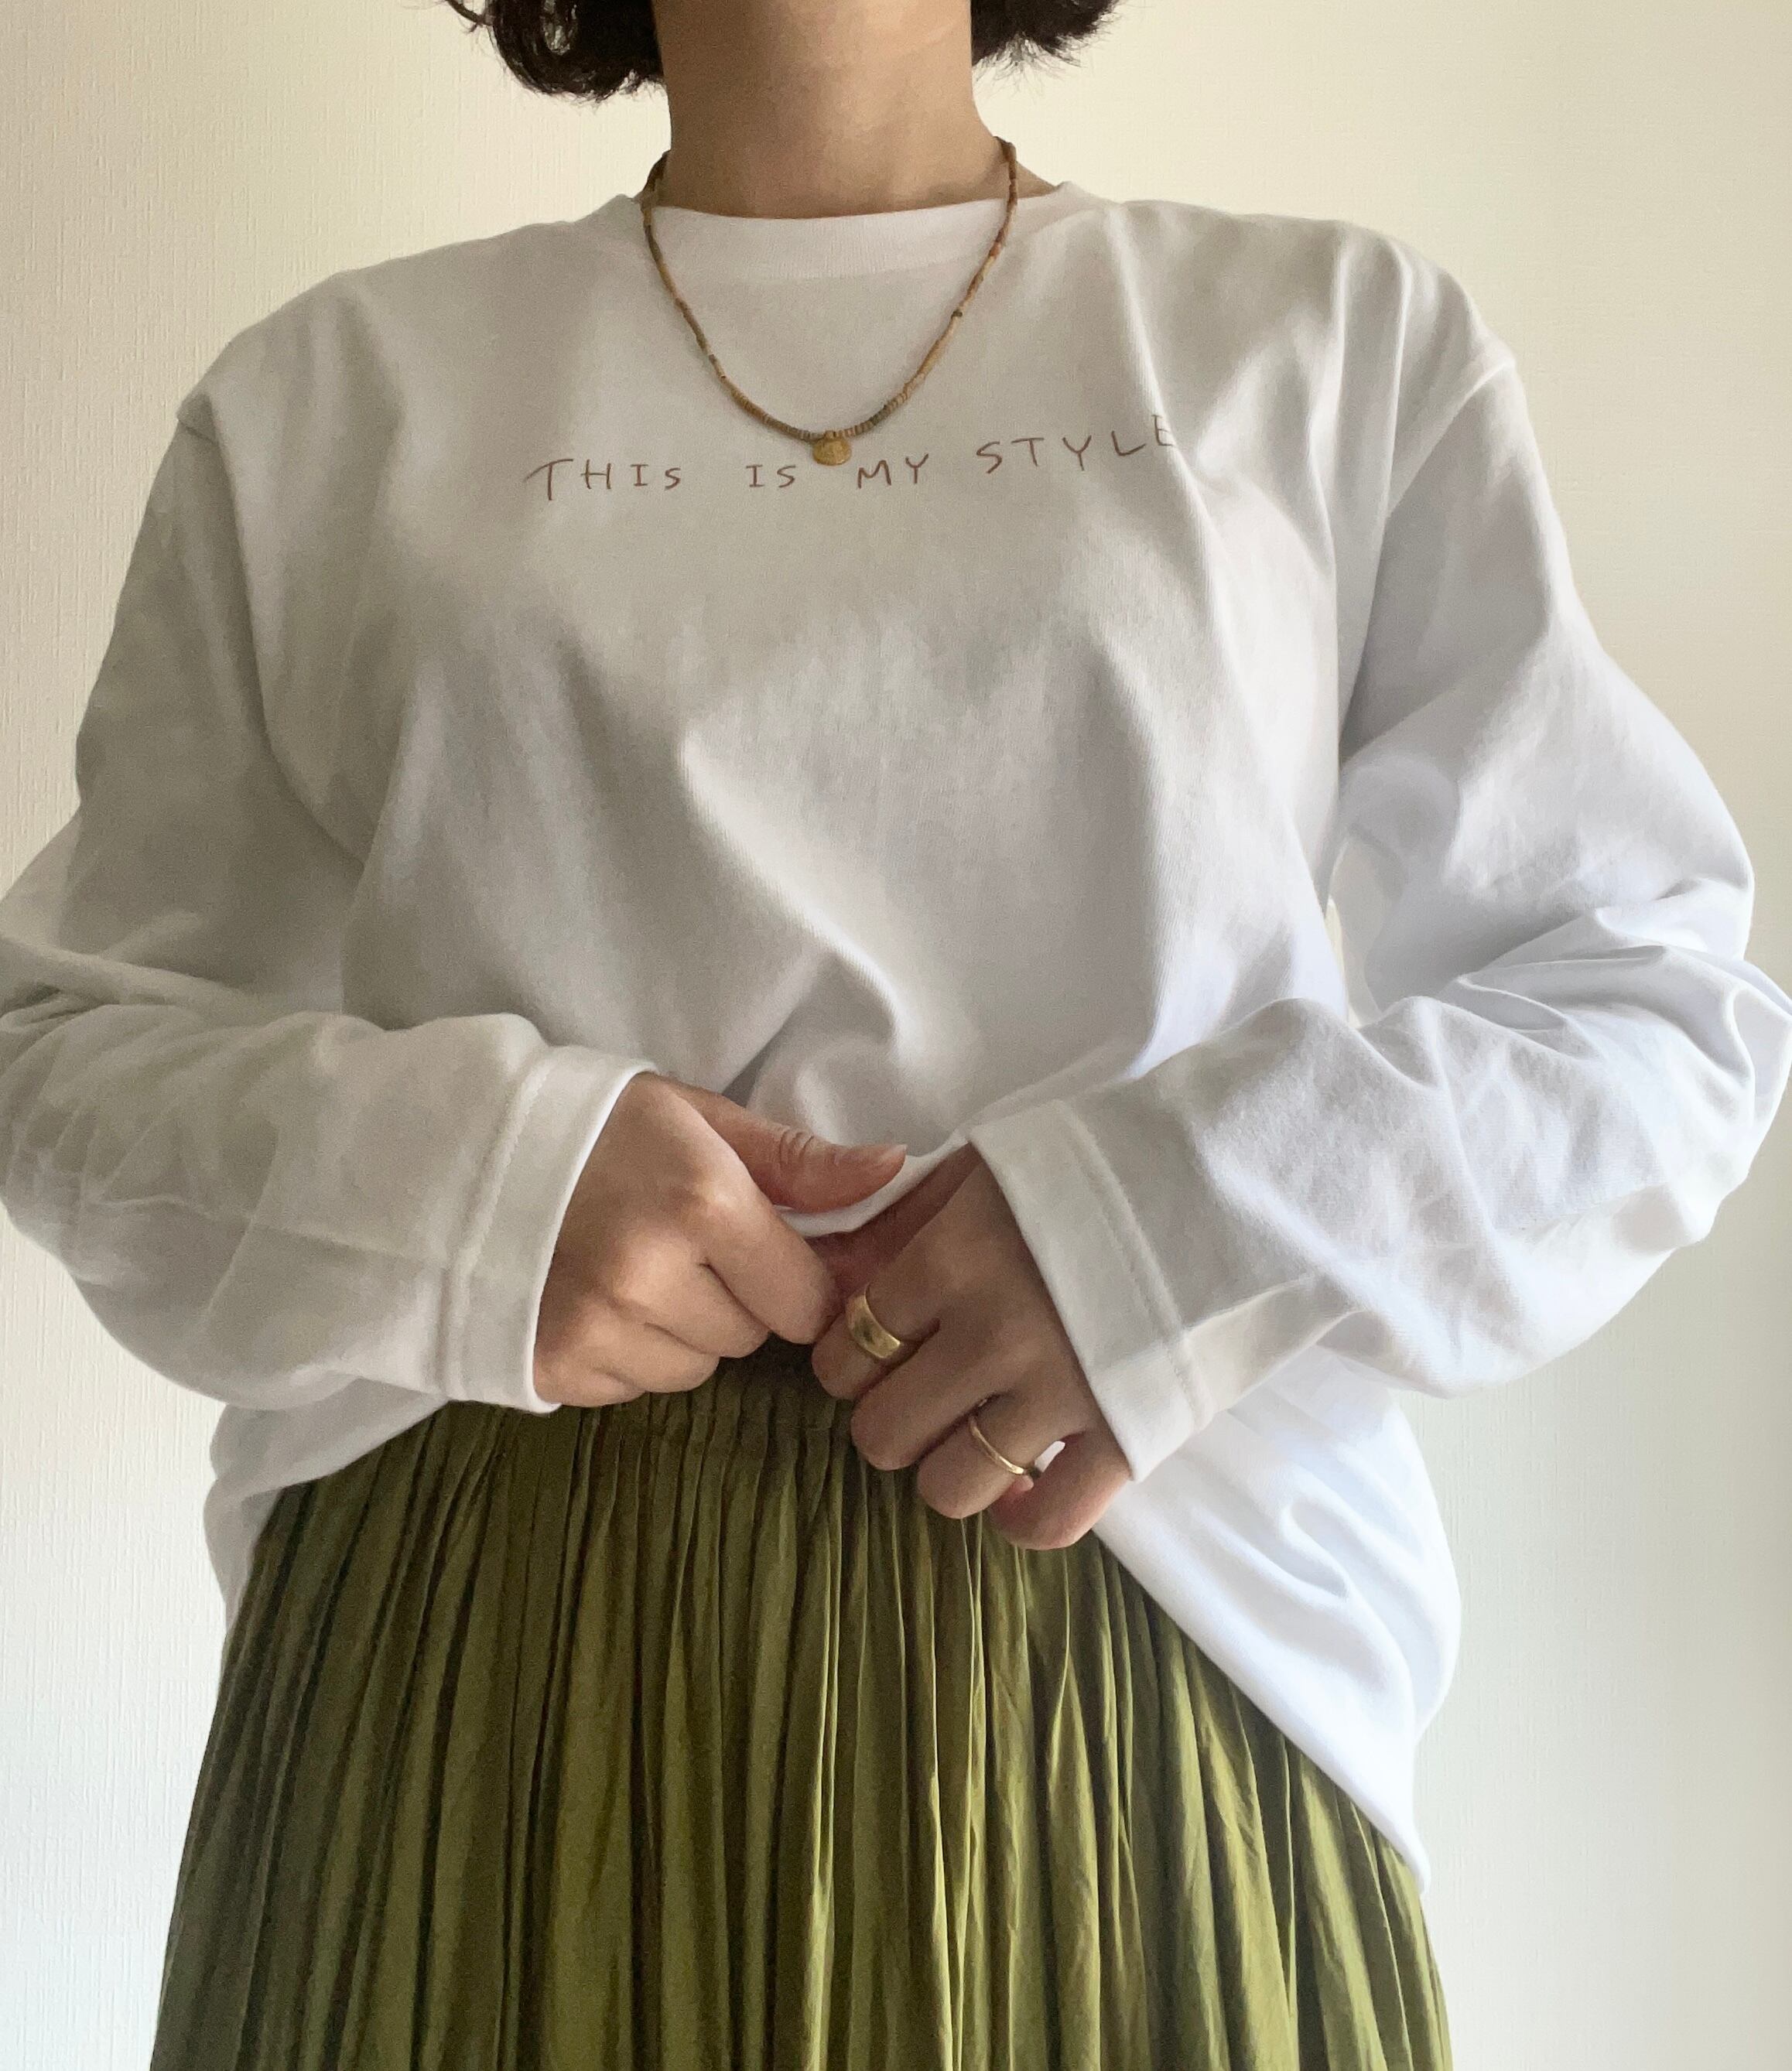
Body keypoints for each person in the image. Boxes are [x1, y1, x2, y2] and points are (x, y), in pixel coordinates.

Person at [3, 0, 1789, 2062]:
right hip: (481, 1637)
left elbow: (1647, 1001)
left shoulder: (1324, 344)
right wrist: (476, 1192)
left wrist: (1169, 1228)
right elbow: (71, 1041)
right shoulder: (333, 396)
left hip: (1156, 1646)